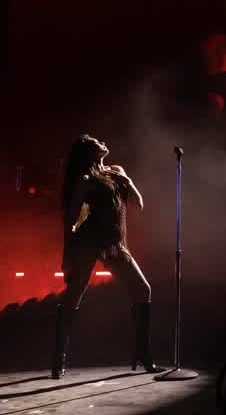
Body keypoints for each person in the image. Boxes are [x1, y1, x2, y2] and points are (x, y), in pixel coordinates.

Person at [51, 134, 165, 379]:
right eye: (96, 143)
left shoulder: (117, 171)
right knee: (74, 295)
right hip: (87, 242)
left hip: (114, 242)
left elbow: (138, 204)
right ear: (88, 153)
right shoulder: (85, 179)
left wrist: (127, 181)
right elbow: (70, 220)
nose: (102, 143)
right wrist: (66, 255)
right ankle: (59, 357)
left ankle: (142, 353)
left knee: (142, 290)